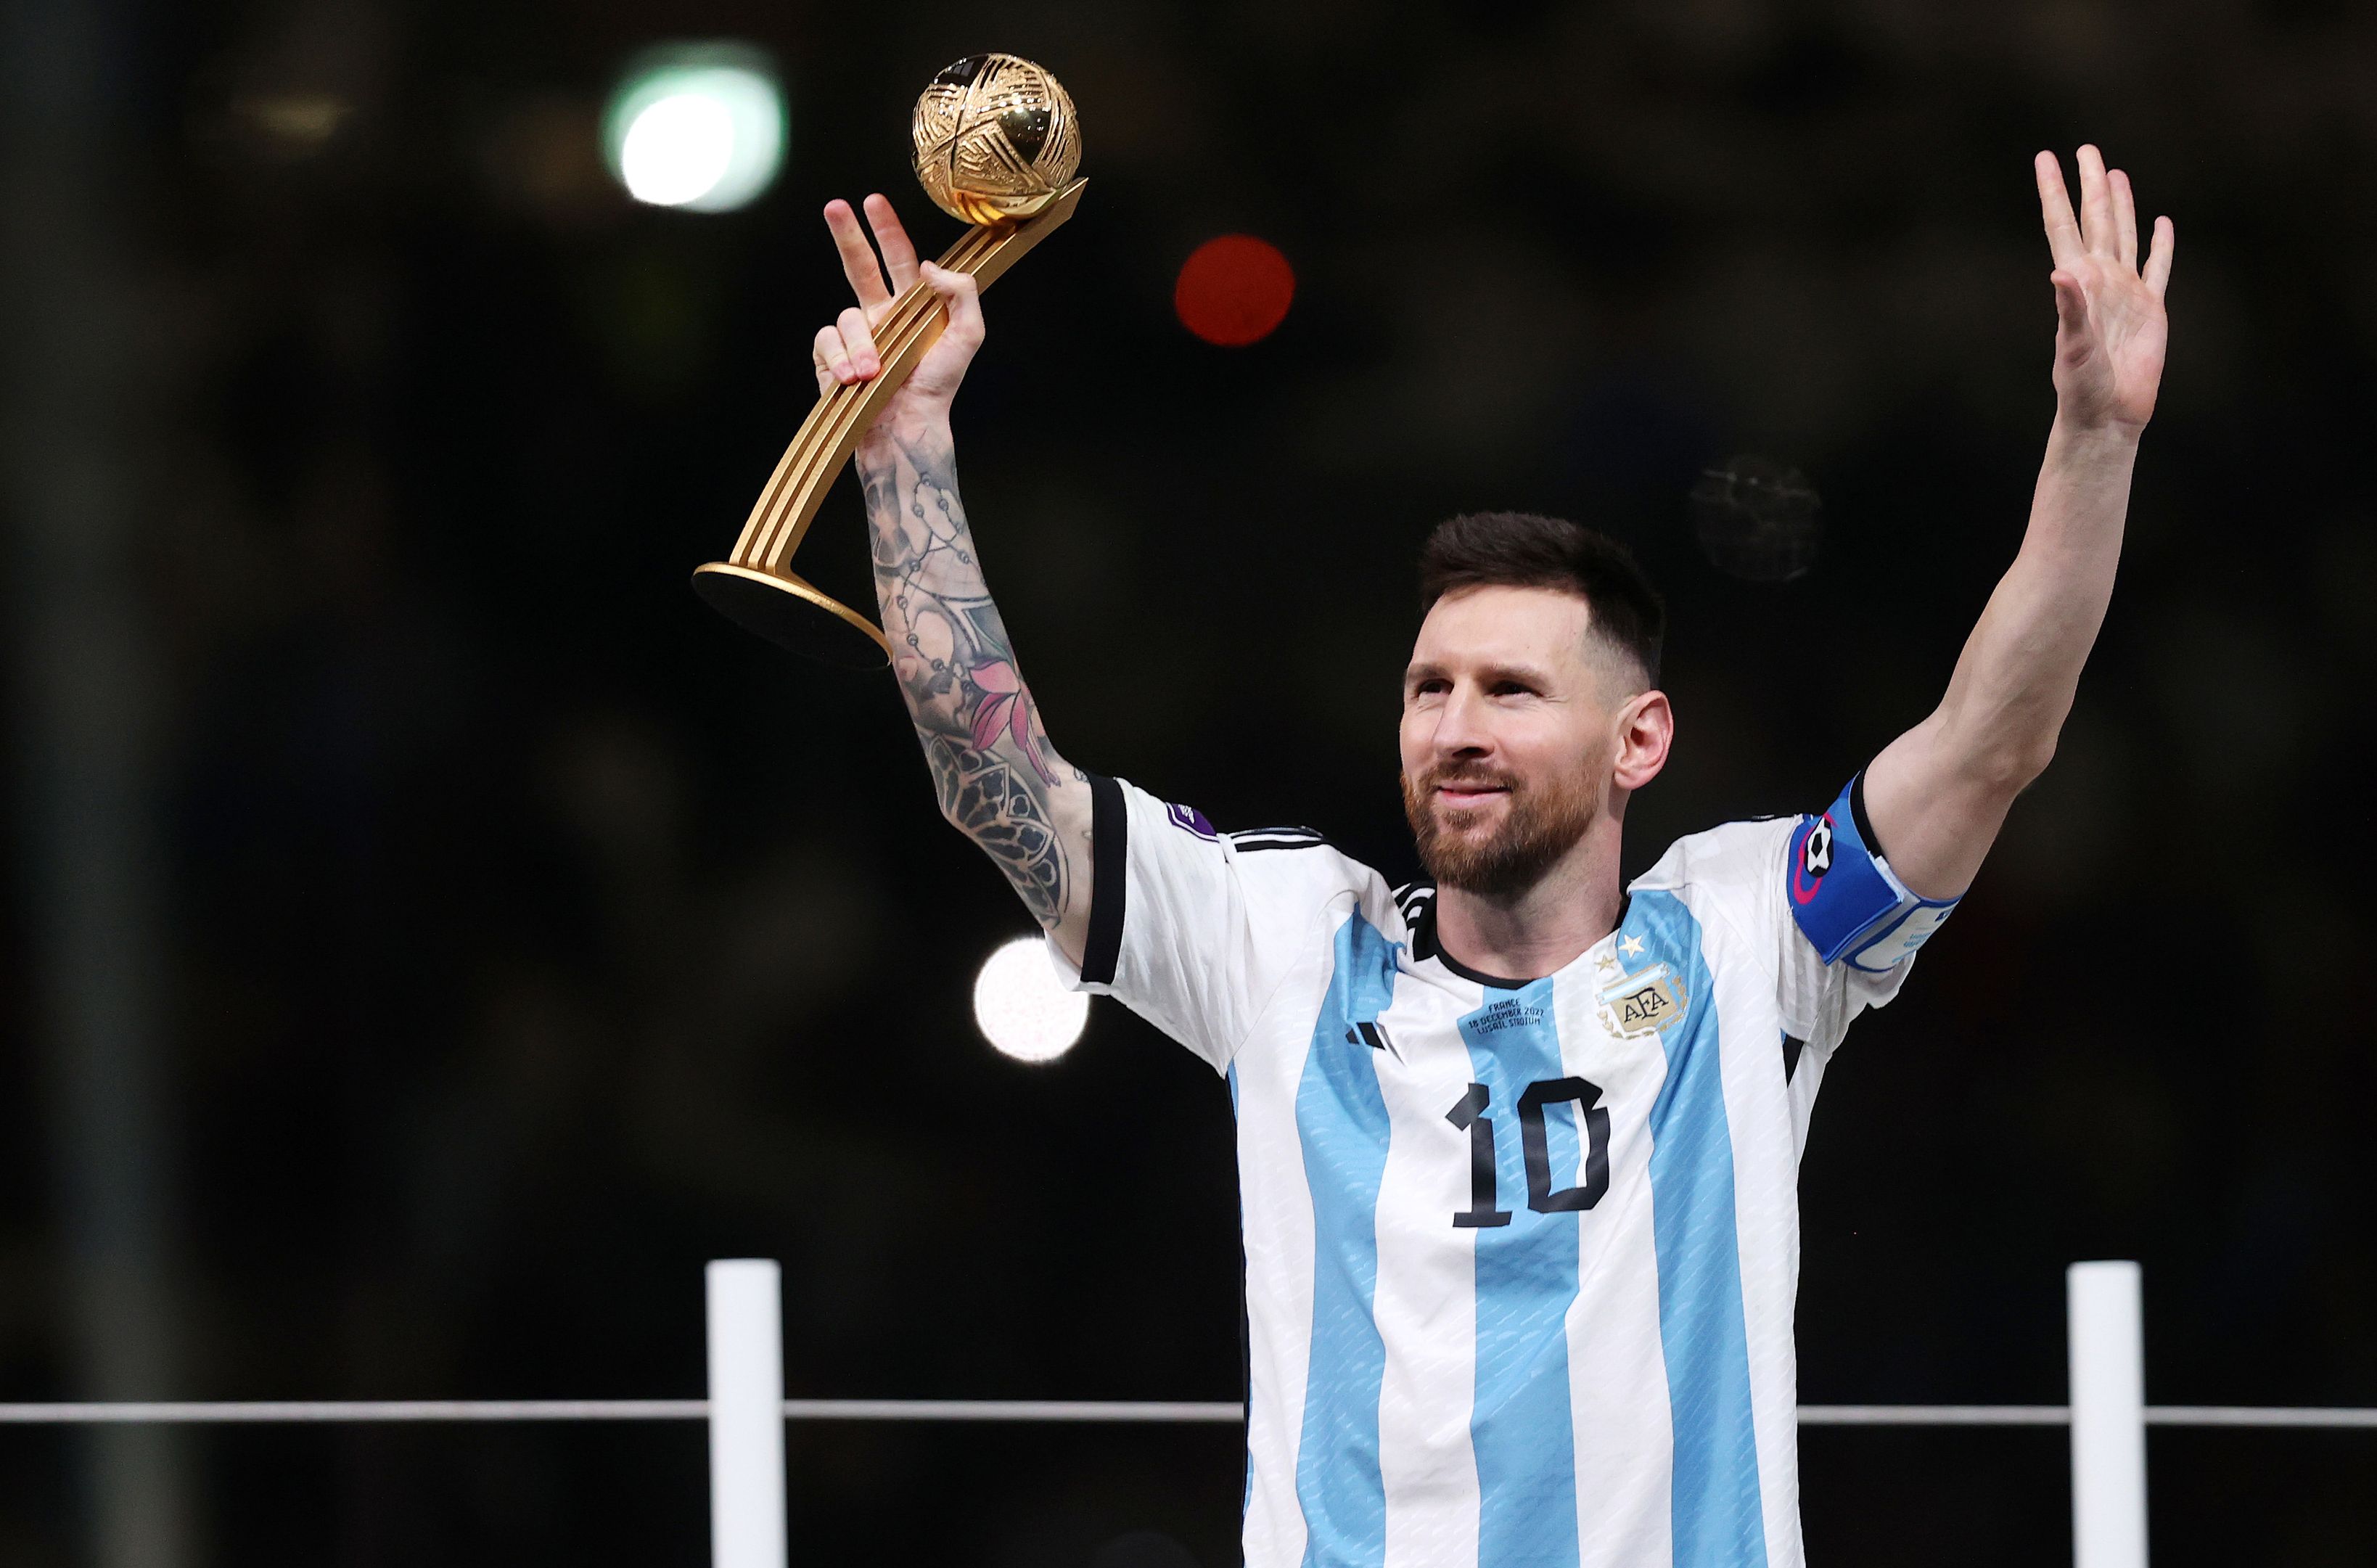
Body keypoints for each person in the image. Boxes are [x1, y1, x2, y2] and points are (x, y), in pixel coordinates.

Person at [806, 144, 2171, 1568]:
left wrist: (2094, 436)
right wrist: (907, 461)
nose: (1457, 726)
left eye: (1512, 691)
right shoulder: (1280, 938)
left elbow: (1990, 739)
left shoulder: (1750, 936)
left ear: (1640, 741)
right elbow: (993, 780)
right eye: (1429, 687)